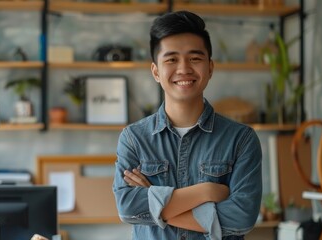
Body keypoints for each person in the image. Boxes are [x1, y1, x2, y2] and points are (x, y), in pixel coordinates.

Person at [112, 10, 262, 240]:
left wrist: (156, 205)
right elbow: (127, 208)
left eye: (195, 58)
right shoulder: (134, 138)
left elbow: (241, 218)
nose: (183, 69)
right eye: (171, 59)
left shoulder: (241, 139)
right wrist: (207, 191)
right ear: (155, 71)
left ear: (210, 67)